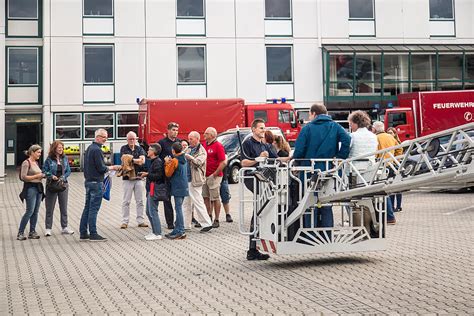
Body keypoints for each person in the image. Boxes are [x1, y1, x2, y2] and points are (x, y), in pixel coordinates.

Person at [292, 103, 351, 231]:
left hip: (308, 171)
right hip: (329, 170)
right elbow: (347, 139)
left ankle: (310, 233)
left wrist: (296, 161)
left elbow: (299, 150)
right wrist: (340, 156)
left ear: (314, 113)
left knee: (309, 203)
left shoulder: (307, 128)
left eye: (309, 114)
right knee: (326, 202)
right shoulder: (335, 126)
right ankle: (327, 233)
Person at [241, 119, 278, 260]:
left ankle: (254, 248)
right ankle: (252, 249)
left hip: (266, 181)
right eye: (261, 128)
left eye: (264, 128)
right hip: (254, 180)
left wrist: (293, 157)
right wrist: (258, 158)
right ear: (253, 129)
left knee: (261, 212)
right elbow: (244, 162)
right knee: (258, 212)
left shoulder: (266, 145)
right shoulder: (248, 143)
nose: (263, 130)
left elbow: (278, 159)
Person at [79, 129, 118, 242]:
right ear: (97, 137)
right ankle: (93, 233)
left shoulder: (90, 148)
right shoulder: (97, 150)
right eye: (103, 137)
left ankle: (83, 232)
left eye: (106, 137)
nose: (105, 139)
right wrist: (113, 167)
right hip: (96, 183)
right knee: (93, 209)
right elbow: (101, 168)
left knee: (87, 208)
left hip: (88, 182)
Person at [373, 121, 403, 225]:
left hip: (381, 166)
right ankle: (389, 215)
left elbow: (375, 152)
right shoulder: (390, 137)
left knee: (380, 191)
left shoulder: (376, 138)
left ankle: (387, 216)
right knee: (388, 189)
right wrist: (396, 160)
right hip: (391, 165)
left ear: (375, 129)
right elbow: (400, 148)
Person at [183, 131, 213, 232]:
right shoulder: (188, 149)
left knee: (198, 201)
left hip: (195, 180)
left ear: (197, 139)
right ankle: (186, 224)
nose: (189, 141)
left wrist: (190, 157)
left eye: (191, 139)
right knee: (186, 202)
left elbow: (199, 162)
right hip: (186, 179)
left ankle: (206, 223)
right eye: (189, 139)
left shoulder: (202, 151)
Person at [43, 140, 74, 236]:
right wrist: (51, 176)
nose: (61, 149)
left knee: (63, 207)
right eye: (59, 147)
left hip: (63, 185)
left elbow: (68, 170)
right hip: (51, 185)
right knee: (50, 208)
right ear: (54, 148)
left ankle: (64, 227)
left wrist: (63, 177)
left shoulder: (64, 158)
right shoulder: (49, 159)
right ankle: (48, 228)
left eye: (62, 147)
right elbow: (44, 170)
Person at [119, 131, 148, 229]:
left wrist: (130, 159)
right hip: (127, 178)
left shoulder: (140, 149)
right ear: (127, 140)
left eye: (133, 139)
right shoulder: (123, 148)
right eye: (130, 139)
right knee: (126, 201)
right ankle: (124, 221)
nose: (132, 140)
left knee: (140, 201)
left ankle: (141, 221)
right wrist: (136, 160)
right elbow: (124, 159)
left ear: (136, 139)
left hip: (139, 177)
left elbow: (142, 161)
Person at [17, 144, 45, 240]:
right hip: (30, 188)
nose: (39, 154)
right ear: (32, 152)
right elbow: (23, 177)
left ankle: (32, 231)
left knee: (36, 211)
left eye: (40, 152)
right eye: (38, 152)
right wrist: (37, 176)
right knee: (30, 211)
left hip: (38, 188)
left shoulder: (36, 163)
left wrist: (43, 175)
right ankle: (20, 232)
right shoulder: (26, 163)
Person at [202, 127, 226, 228]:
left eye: (206, 133)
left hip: (214, 176)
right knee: (206, 197)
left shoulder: (218, 146)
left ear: (212, 135)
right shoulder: (204, 145)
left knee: (215, 197)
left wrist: (215, 174)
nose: (204, 135)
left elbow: (223, 162)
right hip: (204, 176)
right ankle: (208, 216)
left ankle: (216, 219)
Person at [140, 143, 165, 241]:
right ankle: (154, 231)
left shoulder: (158, 162)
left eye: (149, 149)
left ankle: (157, 233)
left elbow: (159, 176)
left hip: (155, 189)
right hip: (150, 188)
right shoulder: (153, 161)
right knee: (148, 211)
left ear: (154, 152)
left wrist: (147, 174)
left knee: (153, 211)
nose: (147, 151)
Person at [164, 142, 189, 239]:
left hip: (177, 186)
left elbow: (168, 173)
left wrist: (167, 162)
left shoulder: (174, 160)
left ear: (173, 151)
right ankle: (177, 229)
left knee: (178, 209)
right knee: (179, 207)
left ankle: (181, 230)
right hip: (184, 185)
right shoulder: (184, 158)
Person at [158, 122, 180, 229]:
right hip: (166, 176)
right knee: (167, 200)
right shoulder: (162, 143)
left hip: (177, 176)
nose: (175, 132)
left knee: (179, 200)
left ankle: (180, 221)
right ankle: (170, 223)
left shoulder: (179, 142)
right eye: (173, 130)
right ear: (168, 130)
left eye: (176, 130)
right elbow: (157, 158)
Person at [387, 126, 403, 212]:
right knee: (392, 187)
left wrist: (396, 159)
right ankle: (392, 206)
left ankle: (399, 206)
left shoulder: (395, 141)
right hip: (391, 165)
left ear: (394, 134)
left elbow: (400, 150)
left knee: (397, 187)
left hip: (395, 166)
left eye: (391, 133)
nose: (389, 134)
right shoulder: (389, 141)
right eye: (388, 133)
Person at [219, 155, 233, 223]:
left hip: (223, 178)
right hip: (212, 177)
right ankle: (212, 216)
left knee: (225, 197)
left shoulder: (221, 149)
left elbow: (225, 161)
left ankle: (227, 214)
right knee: (213, 199)